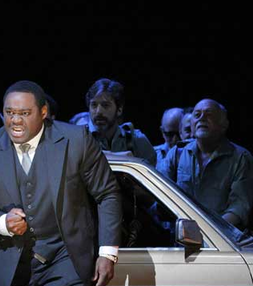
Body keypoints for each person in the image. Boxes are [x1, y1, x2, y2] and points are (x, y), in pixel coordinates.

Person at [0, 80, 122, 286]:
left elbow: (107, 193)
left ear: (43, 112)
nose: (15, 120)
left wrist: (107, 253)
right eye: (9, 113)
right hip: (11, 263)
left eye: (24, 113)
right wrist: (3, 222)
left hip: (66, 257)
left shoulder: (75, 140)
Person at [160, 99, 253, 230]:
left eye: (209, 115)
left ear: (224, 124)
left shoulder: (240, 158)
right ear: (191, 124)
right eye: (197, 115)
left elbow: (239, 207)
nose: (202, 118)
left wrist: (208, 231)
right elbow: (159, 194)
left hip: (222, 242)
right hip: (181, 242)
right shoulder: (177, 153)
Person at [86, 78, 157, 166]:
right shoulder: (79, 139)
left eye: (105, 105)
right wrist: (123, 157)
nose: (98, 111)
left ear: (119, 109)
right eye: (94, 105)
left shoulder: (137, 141)